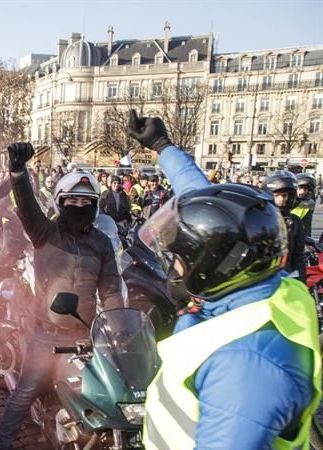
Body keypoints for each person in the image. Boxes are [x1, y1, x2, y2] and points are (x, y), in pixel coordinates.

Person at [127, 110, 320, 450]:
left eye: (180, 257)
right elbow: (214, 207)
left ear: (211, 265)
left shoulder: (246, 367)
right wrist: (162, 146)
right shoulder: (255, 282)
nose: (173, 266)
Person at [0, 142, 123, 450]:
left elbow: (112, 290)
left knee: (97, 397)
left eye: (85, 200)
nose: (79, 205)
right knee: (24, 394)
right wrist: (18, 172)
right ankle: (0, 443)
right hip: (47, 336)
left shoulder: (102, 243)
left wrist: (118, 326)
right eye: (72, 199)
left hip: (87, 336)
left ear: (95, 205)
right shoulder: (45, 232)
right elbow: (26, 206)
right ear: (61, 203)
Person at [263, 171, 307, 282]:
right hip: (262, 279)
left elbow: (298, 256)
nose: (281, 199)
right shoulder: (260, 219)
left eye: (284, 195)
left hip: (287, 277)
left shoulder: (296, 222)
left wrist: (301, 283)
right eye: (276, 195)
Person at [293, 173, 316, 237]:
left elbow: (307, 227)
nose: (302, 191)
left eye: (305, 189)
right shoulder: (285, 201)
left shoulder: (308, 204)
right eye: (300, 188)